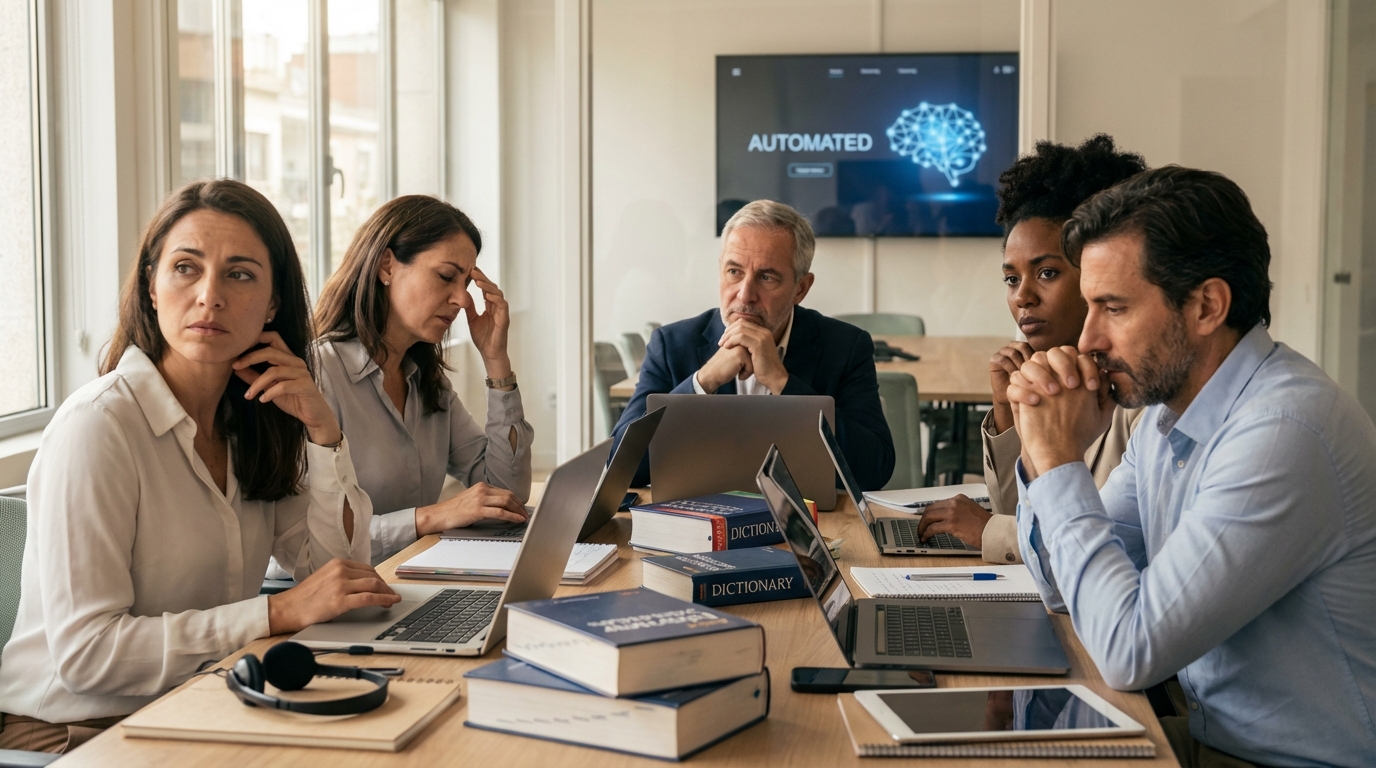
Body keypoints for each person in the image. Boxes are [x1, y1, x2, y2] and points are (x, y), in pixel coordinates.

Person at [0, 180, 400, 753]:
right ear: (152, 287)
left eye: (239, 274)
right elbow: (89, 655)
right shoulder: (98, 427)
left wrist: (323, 431)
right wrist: (274, 612)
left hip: (197, 707)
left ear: (272, 304)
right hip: (74, 737)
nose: (209, 295)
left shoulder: (255, 422)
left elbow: (337, 575)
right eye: (186, 268)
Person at [1006, 166, 1376, 767]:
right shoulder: (1166, 416)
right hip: (1210, 738)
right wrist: (1045, 455)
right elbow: (1060, 589)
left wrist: (1057, 463)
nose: (1089, 338)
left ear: (1206, 305)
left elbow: (1129, 650)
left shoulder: (1283, 432)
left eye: (1113, 308)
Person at [918, 135, 1147, 563]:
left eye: (1046, 272)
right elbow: (1018, 510)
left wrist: (990, 531)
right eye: (1011, 279)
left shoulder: (1141, 394)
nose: (1022, 296)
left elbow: (1110, 548)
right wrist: (1008, 415)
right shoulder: (1045, 373)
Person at [612, 199, 894, 490]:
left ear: (801, 288)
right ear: (721, 270)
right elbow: (620, 468)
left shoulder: (845, 347)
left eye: (766, 277)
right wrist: (702, 381)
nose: (745, 295)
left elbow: (873, 470)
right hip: (702, 523)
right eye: (734, 272)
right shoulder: (672, 345)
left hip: (808, 524)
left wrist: (782, 382)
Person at [312, 196, 534, 564]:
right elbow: (308, 543)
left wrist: (496, 360)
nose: (463, 299)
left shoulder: (426, 380)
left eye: (466, 282)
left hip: (408, 579)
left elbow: (506, 492)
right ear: (387, 265)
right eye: (446, 276)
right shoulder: (319, 375)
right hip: (337, 599)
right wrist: (430, 517)